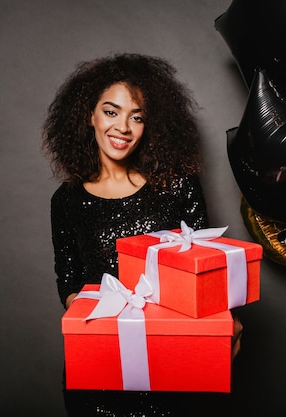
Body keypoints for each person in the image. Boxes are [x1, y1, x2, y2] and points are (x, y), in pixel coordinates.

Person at [42, 53, 242, 416]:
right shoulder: (66, 201)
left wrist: (226, 321)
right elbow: (68, 280)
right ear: (89, 114)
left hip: (168, 361)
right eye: (111, 111)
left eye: (137, 117)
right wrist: (100, 322)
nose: (123, 127)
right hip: (97, 372)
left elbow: (206, 269)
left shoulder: (178, 186)